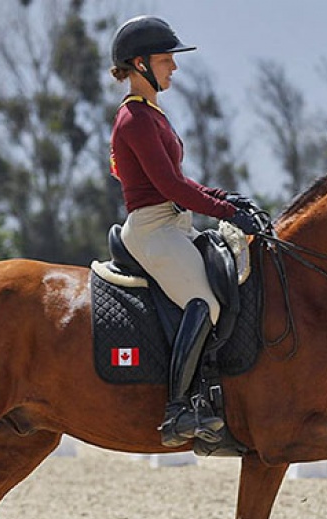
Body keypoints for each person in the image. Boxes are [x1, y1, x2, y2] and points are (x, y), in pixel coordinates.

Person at [109, 15, 261, 447]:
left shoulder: (151, 114)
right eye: (165, 60)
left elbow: (181, 182)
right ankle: (179, 409)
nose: (173, 67)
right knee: (204, 300)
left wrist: (227, 200)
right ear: (140, 64)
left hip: (173, 221)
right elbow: (170, 187)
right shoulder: (135, 120)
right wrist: (225, 212)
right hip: (153, 228)